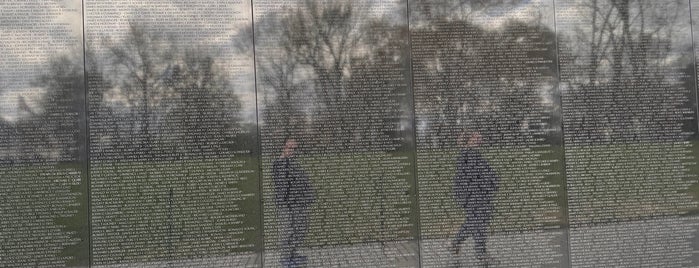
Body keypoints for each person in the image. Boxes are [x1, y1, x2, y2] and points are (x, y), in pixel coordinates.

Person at [450, 131, 499, 266]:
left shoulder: (473, 155)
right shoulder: (468, 155)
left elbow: (486, 174)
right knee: (479, 224)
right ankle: (481, 254)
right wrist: (491, 183)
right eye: (475, 136)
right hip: (474, 197)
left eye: (480, 136)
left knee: (473, 223)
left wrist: (492, 182)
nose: (480, 138)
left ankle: (455, 243)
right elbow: (476, 177)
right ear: (469, 140)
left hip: (479, 196)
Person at [272, 137, 315, 268]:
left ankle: (293, 254)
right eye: (289, 147)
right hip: (288, 205)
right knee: (288, 230)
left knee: (300, 229)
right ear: (283, 148)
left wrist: (308, 195)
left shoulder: (292, 162)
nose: (292, 150)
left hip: (300, 203)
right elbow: (284, 186)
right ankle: (286, 259)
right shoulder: (279, 163)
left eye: (294, 148)